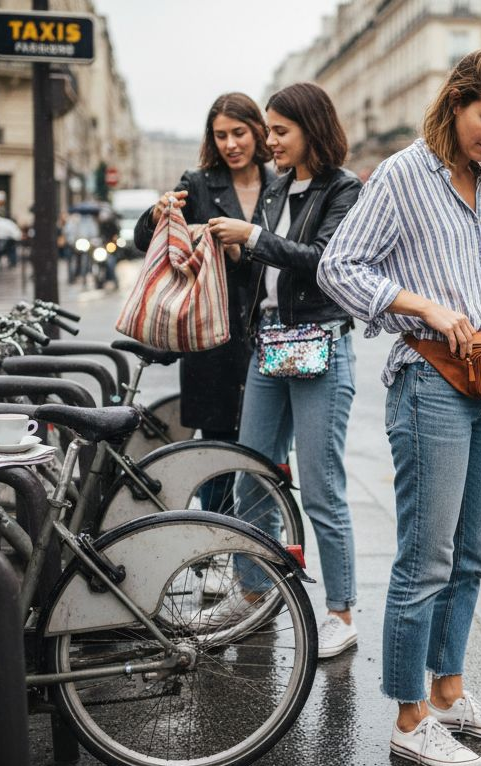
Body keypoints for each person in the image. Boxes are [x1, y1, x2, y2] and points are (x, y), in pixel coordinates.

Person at [318, 49, 481, 766]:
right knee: (427, 559)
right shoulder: (400, 176)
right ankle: (409, 716)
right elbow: (337, 267)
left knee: (472, 554)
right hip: (430, 383)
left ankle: (448, 694)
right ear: (455, 104)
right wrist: (419, 305)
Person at [195, 82, 364, 661]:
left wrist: (255, 237)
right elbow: (264, 268)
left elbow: (325, 262)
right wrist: (230, 246)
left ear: (312, 129)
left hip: (321, 344)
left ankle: (341, 612)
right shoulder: (275, 187)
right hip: (271, 344)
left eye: (280, 130)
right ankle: (251, 591)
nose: (270, 140)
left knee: (320, 488)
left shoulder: (344, 189)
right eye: (268, 129)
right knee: (251, 476)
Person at [133, 92, 276, 504]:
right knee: (216, 456)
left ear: (258, 131)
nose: (230, 144)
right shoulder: (197, 183)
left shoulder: (279, 185)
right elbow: (145, 239)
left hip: (269, 336)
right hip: (212, 339)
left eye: (238, 133)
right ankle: (213, 534)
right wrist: (157, 213)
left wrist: (243, 250)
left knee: (265, 455)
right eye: (220, 135)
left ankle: (255, 537)